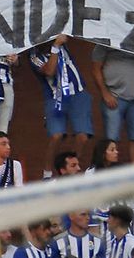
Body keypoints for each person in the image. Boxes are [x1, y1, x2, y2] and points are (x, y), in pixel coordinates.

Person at [30, 36, 93, 167]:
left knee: (83, 136)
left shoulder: (63, 45)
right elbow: (49, 71)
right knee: (56, 136)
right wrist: (55, 46)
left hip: (78, 92)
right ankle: (47, 174)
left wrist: (58, 43)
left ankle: (71, 168)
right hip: (54, 97)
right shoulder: (34, 55)